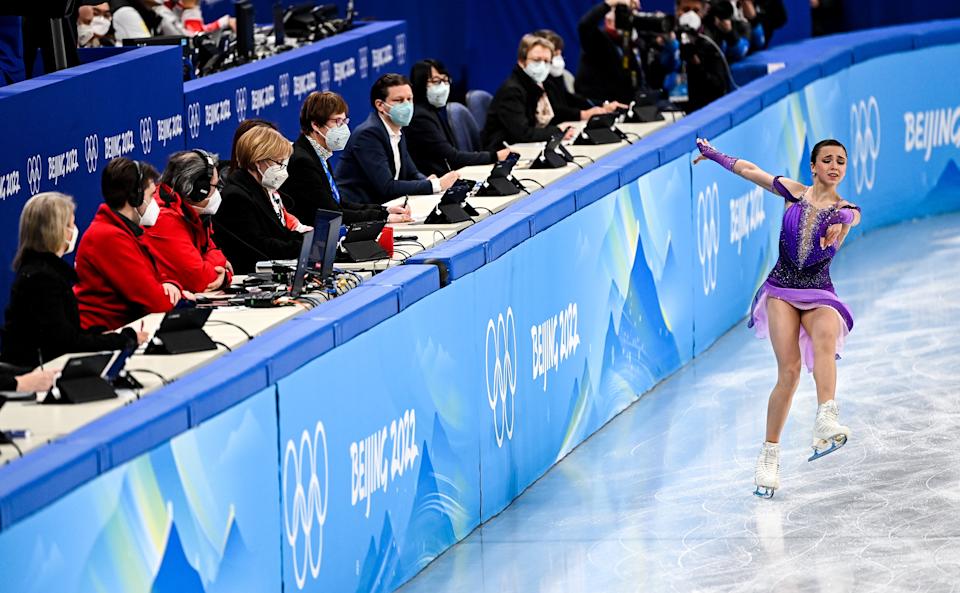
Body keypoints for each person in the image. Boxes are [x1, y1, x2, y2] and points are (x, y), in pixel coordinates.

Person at [694, 137, 862, 498]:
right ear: (813, 166)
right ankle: (769, 456)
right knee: (788, 372)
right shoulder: (792, 192)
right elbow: (751, 171)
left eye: (841, 162)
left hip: (819, 292)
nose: (835, 166)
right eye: (827, 160)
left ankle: (826, 415)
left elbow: (852, 215)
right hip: (782, 290)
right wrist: (714, 155)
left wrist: (840, 221)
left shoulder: (846, 209)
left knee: (826, 337)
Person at [1, 193, 146, 369]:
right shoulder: (41, 280)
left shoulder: (41, 271)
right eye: (70, 224)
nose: (74, 230)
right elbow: (66, 343)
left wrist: (107, 336)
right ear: (56, 230)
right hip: (38, 375)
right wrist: (123, 339)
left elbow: (67, 334)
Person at [74, 158, 187, 331]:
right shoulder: (109, 237)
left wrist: (173, 285)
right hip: (105, 336)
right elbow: (155, 302)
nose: (155, 203)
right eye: (150, 195)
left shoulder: (126, 231)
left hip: (124, 331)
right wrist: (172, 294)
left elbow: (159, 277)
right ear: (135, 197)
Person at [283, 91, 413, 224]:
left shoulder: (318, 153)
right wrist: (384, 218)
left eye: (344, 120)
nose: (343, 127)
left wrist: (385, 210)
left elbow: (337, 203)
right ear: (315, 125)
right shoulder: (303, 161)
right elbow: (331, 213)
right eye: (337, 121)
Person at [336, 73, 459, 205]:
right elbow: (387, 187)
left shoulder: (397, 129)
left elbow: (413, 173)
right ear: (380, 105)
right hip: (359, 211)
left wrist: (426, 181)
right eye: (399, 100)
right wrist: (435, 185)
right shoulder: (368, 134)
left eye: (409, 99)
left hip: (385, 207)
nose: (407, 105)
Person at [213, 125, 309, 273]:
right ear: (258, 161)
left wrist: (309, 239)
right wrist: (305, 245)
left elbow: (280, 234)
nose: (283, 169)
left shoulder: (261, 189)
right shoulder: (236, 197)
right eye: (279, 163)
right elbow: (261, 246)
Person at [143, 150, 234, 293]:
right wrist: (222, 274)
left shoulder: (194, 213)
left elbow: (215, 253)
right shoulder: (164, 219)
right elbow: (200, 280)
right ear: (198, 190)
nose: (218, 193)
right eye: (214, 186)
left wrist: (223, 274)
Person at [405, 60, 511, 177]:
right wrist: (494, 156)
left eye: (445, 80)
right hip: (435, 182)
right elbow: (452, 157)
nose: (443, 86)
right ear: (420, 84)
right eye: (436, 81)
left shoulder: (434, 111)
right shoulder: (420, 118)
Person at [481, 35, 576, 151]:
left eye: (546, 61)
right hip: (502, 152)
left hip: (522, 148)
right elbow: (522, 133)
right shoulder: (512, 90)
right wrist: (557, 131)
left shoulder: (535, 85)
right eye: (537, 60)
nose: (542, 66)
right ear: (521, 61)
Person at [533, 29, 626, 125]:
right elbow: (554, 110)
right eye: (555, 54)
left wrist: (603, 105)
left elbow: (568, 98)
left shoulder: (554, 76)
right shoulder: (536, 80)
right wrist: (583, 114)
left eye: (560, 54)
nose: (559, 59)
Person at [574, 0, 648, 105]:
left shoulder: (627, 43)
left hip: (622, 103)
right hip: (596, 104)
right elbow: (585, 25)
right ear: (607, 19)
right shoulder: (596, 38)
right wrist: (612, 3)